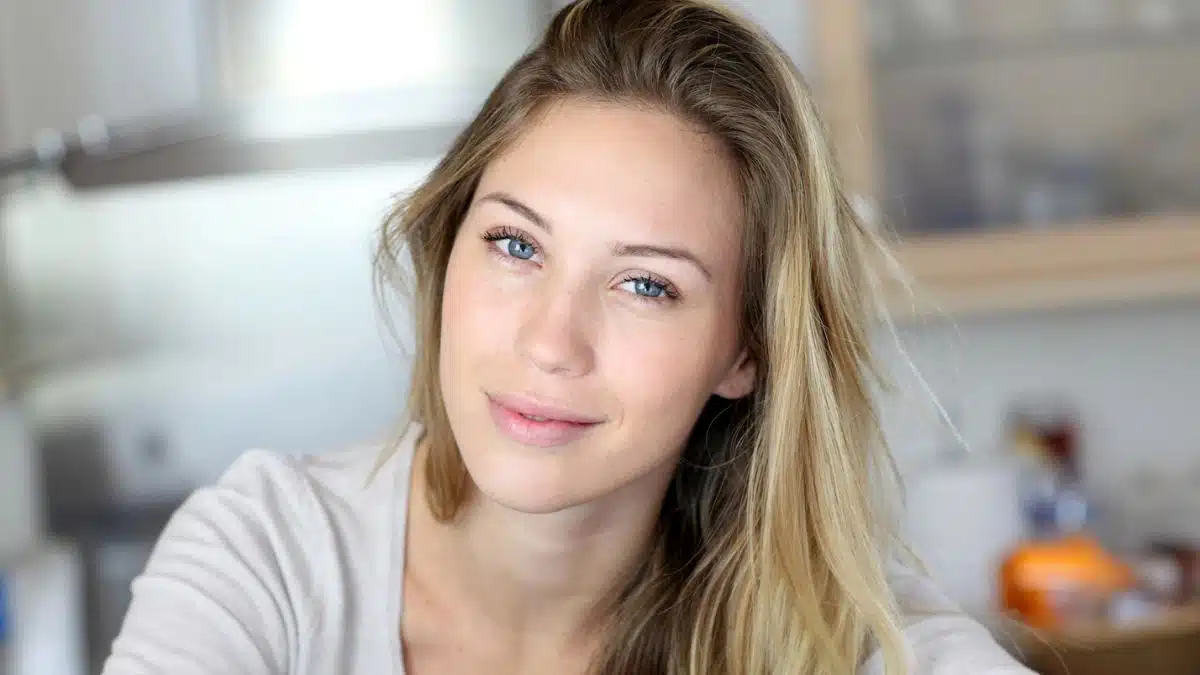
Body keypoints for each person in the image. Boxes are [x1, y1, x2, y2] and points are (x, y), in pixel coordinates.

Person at [101, 1, 1034, 673]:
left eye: (646, 284)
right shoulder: (270, 557)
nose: (552, 342)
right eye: (516, 244)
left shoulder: (843, 637)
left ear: (746, 350)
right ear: (448, 248)